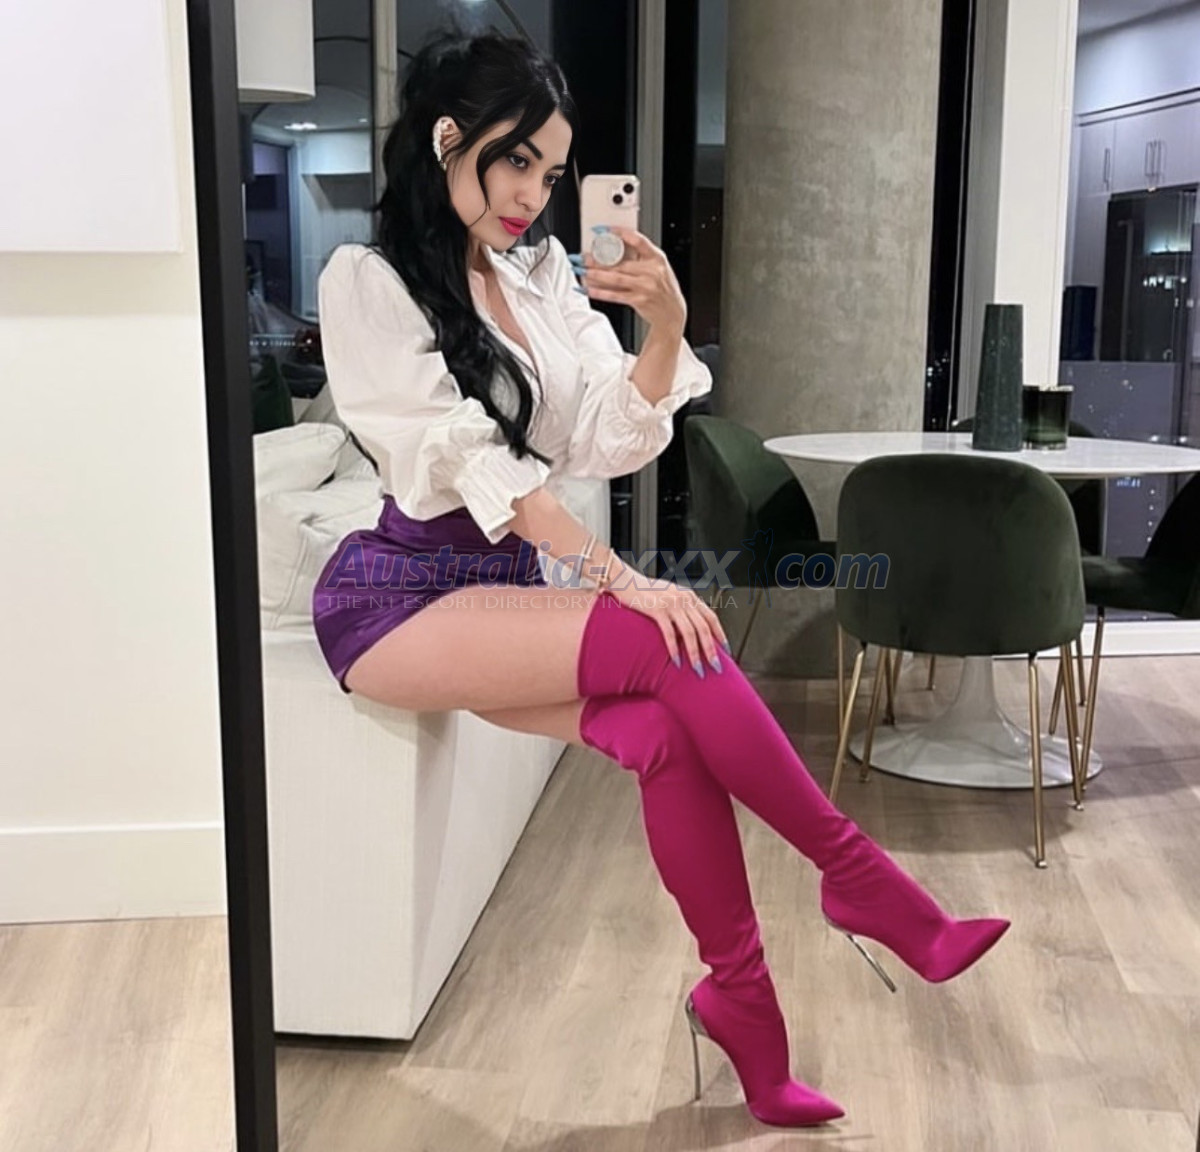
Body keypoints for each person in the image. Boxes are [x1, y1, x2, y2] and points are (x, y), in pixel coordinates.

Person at [311, 26, 1010, 1131]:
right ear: (448, 139)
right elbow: (482, 468)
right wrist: (624, 580)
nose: (534, 193)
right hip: (402, 599)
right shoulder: (369, 279)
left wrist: (669, 322)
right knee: (669, 634)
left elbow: (607, 434)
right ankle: (859, 877)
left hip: (501, 596)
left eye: (552, 171)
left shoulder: (538, 276)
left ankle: (745, 1010)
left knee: (663, 736)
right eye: (516, 160)